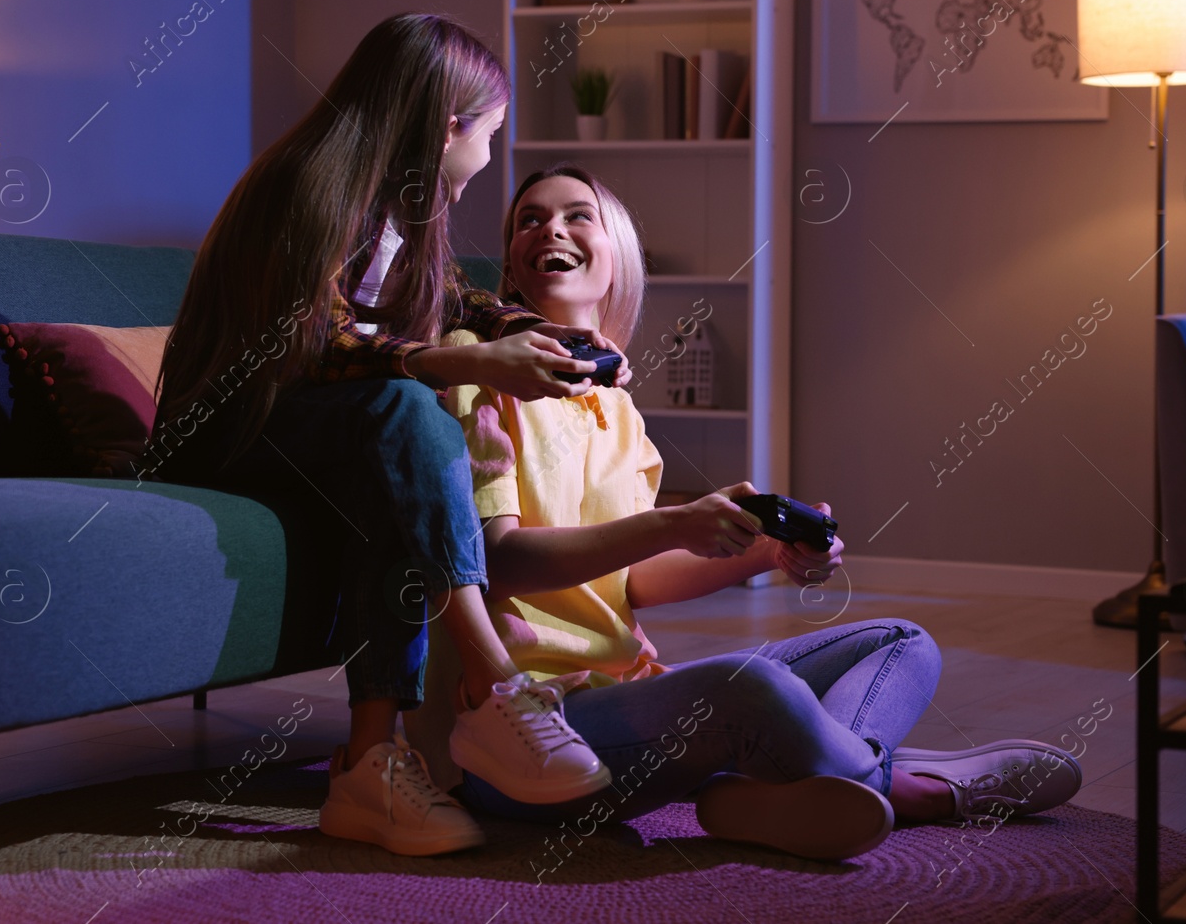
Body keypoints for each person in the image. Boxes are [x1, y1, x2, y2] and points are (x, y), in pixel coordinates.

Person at [406, 164, 1085, 861]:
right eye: (530, 219)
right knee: (752, 687)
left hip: (633, 694)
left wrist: (760, 554)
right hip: (532, 734)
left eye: (579, 215)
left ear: (619, 262)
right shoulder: (478, 369)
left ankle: (788, 784)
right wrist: (675, 522)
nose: (551, 227)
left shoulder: (619, 409)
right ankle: (914, 787)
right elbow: (494, 563)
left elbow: (631, 580)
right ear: (512, 274)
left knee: (901, 640)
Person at [149, 16, 630, 857]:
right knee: (406, 410)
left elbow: (464, 302)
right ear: (449, 124)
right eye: (489, 133)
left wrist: (555, 340)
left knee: (398, 465)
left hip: (318, 435)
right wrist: (439, 361)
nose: (487, 156)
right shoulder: (308, 185)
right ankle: (496, 685)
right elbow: (308, 343)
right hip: (229, 433)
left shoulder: (406, 211)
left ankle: (370, 761)